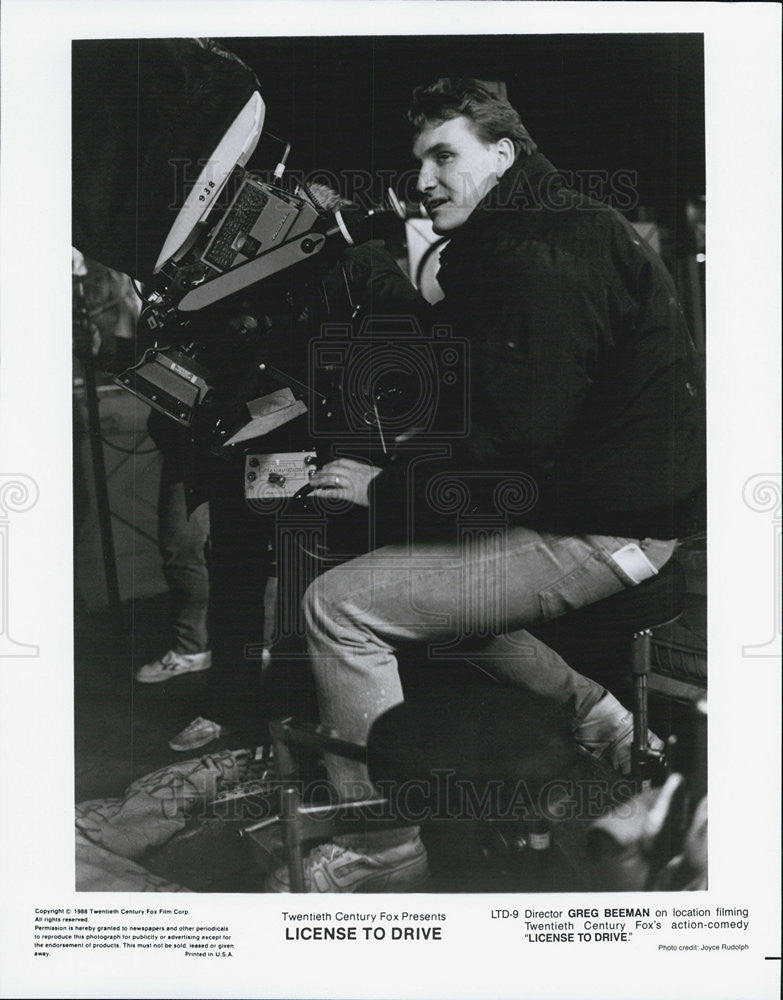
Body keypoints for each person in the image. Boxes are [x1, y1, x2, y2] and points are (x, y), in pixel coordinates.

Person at [263, 78, 706, 893]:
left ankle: (382, 849)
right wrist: (380, 282)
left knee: (336, 603)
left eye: (444, 155)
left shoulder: (540, 253)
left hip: (603, 529)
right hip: (617, 511)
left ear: (503, 154)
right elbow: (495, 377)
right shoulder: (537, 234)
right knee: (421, 589)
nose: (423, 178)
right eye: (418, 160)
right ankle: (601, 718)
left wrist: (382, 489)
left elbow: (512, 447)